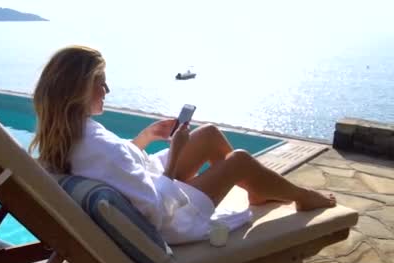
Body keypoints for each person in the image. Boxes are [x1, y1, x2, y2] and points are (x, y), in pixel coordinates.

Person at [29, 45, 336, 244]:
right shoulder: (100, 147)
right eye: (101, 82)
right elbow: (157, 213)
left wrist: (145, 137)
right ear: (79, 88)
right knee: (239, 159)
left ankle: (255, 188)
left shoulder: (70, 135)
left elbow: (118, 166)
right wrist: (174, 157)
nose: (107, 89)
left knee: (210, 134)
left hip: (153, 189)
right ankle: (301, 196)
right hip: (174, 221)